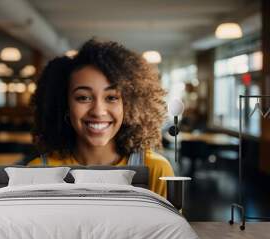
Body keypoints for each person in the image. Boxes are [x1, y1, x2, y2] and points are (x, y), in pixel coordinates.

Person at [28, 39, 174, 198]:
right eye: (83, 97)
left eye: (111, 97)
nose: (98, 111)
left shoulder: (156, 169)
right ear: (65, 105)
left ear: (129, 105)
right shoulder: (37, 172)